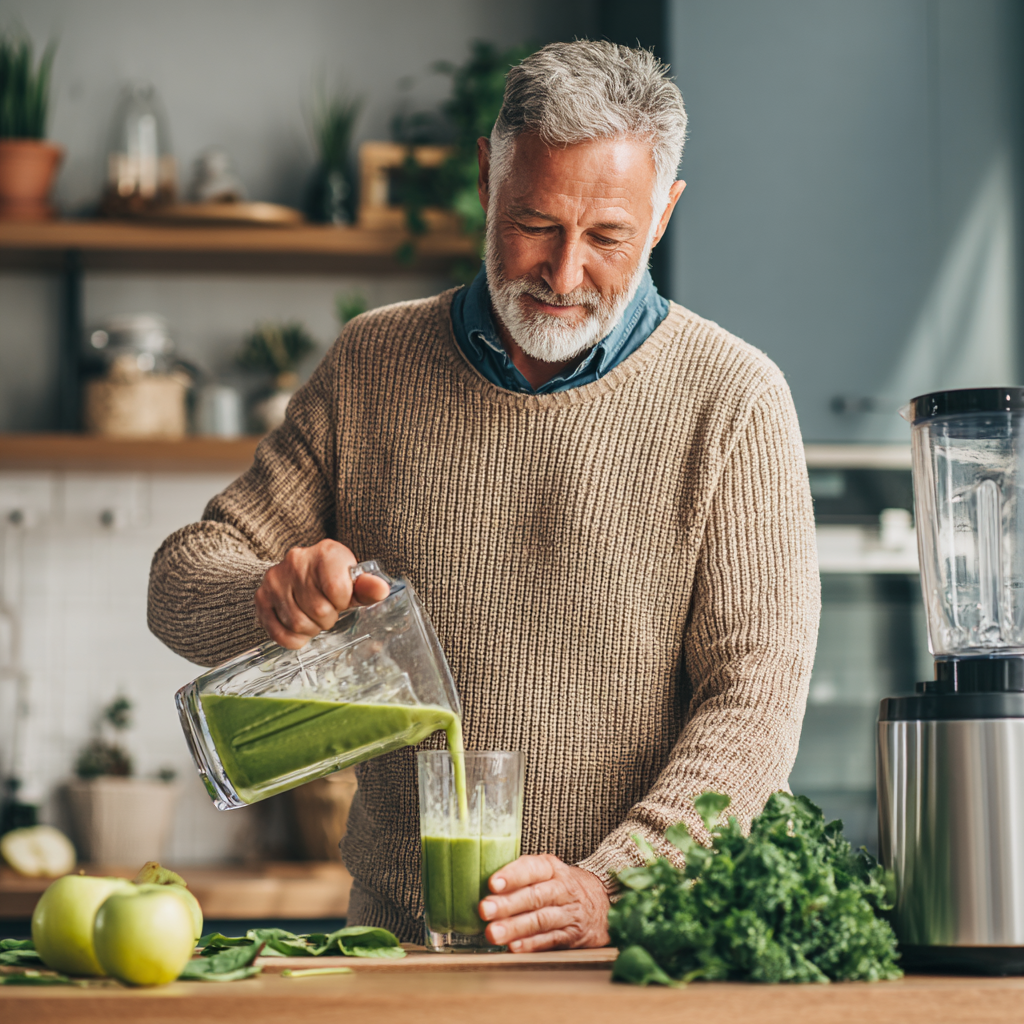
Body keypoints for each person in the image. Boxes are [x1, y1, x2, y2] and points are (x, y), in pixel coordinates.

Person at [149, 40, 819, 952]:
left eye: (607, 237)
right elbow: (181, 579)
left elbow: (755, 704)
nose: (564, 273)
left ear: (664, 212)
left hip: (625, 960)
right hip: (393, 954)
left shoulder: (734, 399)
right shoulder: (373, 364)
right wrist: (270, 593)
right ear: (485, 179)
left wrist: (614, 887)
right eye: (536, 223)